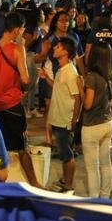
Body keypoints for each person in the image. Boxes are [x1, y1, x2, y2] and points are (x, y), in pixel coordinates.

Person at [0, 12, 39, 188]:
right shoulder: (17, 49)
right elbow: (25, 79)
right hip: (12, 105)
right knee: (22, 148)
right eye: (22, 30)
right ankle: (35, 184)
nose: (22, 33)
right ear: (16, 30)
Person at [39, 36, 82, 192]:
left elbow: (78, 98)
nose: (54, 49)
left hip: (65, 119)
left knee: (67, 154)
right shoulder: (62, 70)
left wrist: (74, 120)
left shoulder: (70, 72)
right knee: (65, 152)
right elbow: (58, 87)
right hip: (58, 118)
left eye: (57, 47)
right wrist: (46, 78)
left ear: (65, 52)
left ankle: (69, 186)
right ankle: (65, 180)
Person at [81, 42, 112, 198]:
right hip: (107, 124)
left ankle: (94, 201)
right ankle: (105, 197)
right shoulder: (111, 76)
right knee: (106, 164)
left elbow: (87, 104)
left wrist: (80, 88)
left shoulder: (91, 77)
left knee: (92, 167)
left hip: (92, 126)